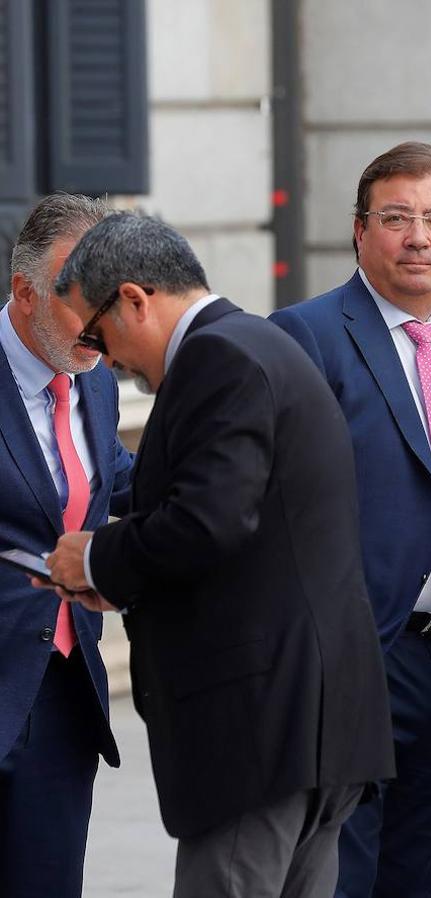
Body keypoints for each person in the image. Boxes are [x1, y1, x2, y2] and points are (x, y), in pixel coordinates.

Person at [42, 213, 393, 898]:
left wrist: (95, 558)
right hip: (315, 724)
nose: (102, 360)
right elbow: (252, 533)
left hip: (261, 729)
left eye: (95, 334)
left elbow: (209, 520)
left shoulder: (217, 357)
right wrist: (130, 578)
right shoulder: (259, 343)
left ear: (135, 300)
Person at [270, 141, 431, 898]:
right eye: (396, 218)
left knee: (419, 871)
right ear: (359, 230)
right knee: (344, 873)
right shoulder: (305, 336)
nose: (419, 237)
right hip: (361, 654)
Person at [0, 194, 133, 898]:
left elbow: (119, 478)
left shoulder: (94, 381)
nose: (101, 320)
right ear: (24, 292)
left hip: (62, 692)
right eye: (81, 297)